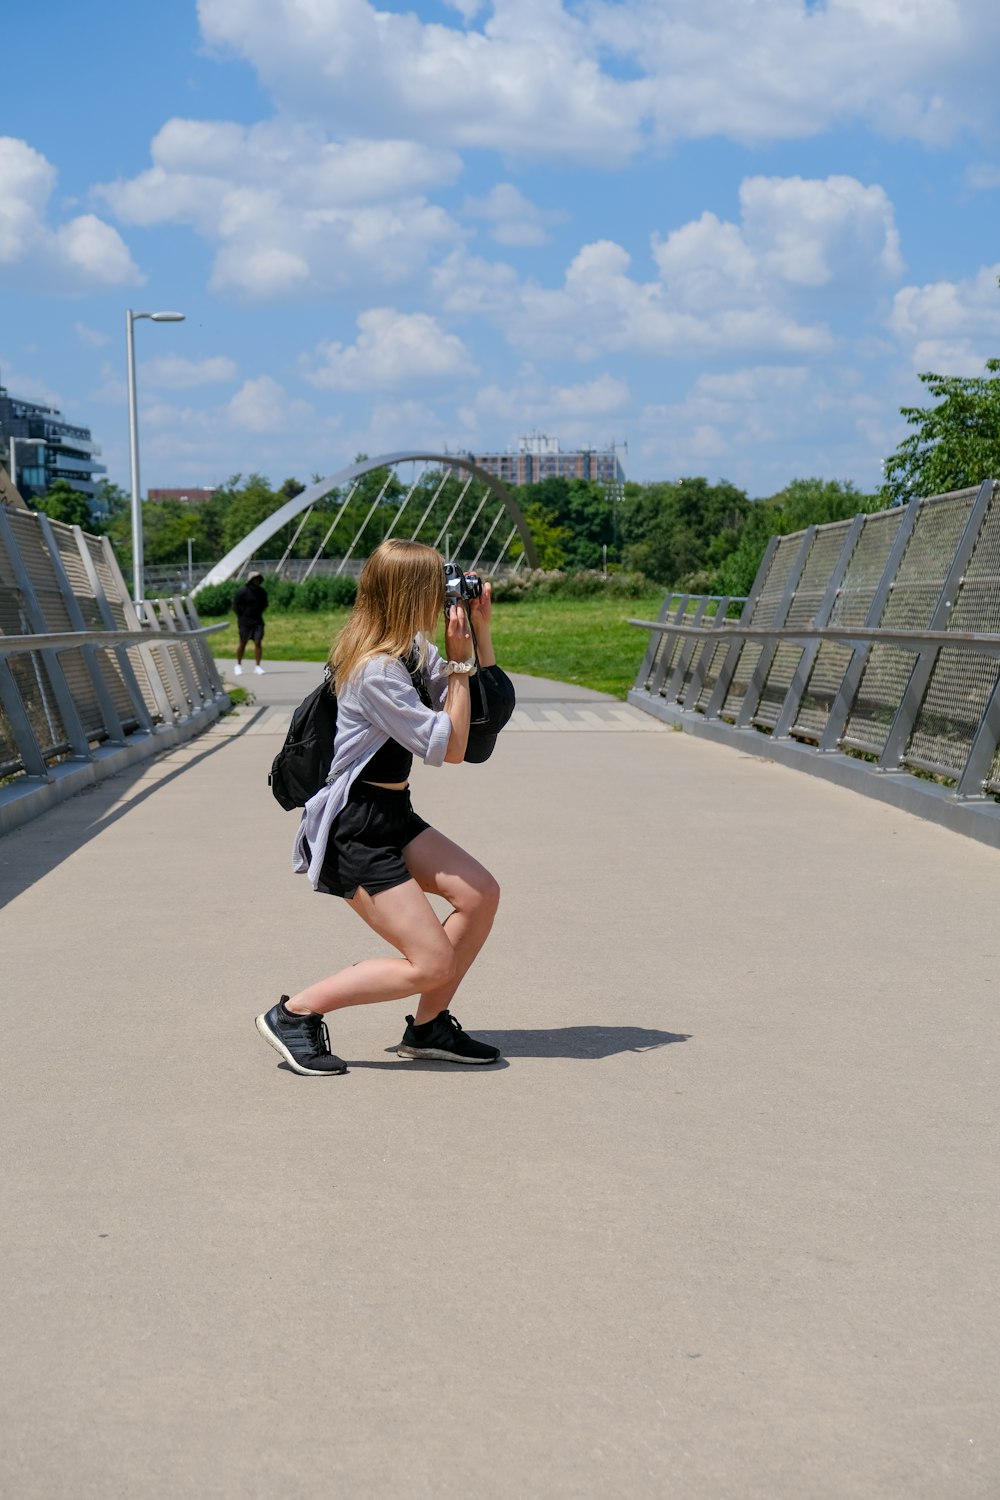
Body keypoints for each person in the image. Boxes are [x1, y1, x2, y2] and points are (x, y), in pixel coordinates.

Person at [255, 538, 502, 1076]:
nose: (443, 596)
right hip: (354, 827)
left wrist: (479, 633)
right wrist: (458, 666)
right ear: (409, 593)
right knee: (431, 961)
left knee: (480, 893)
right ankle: (293, 1013)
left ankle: (429, 1027)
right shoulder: (377, 671)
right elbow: (452, 747)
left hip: (393, 813)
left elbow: (475, 702)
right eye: (435, 586)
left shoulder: (413, 650)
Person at [233, 571, 268, 675]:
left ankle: (257, 666)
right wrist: (241, 616)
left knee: (258, 642)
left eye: (258, 579)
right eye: (255, 579)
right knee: (243, 642)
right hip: (245, 621)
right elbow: (235, 606)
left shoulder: (262, 592)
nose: (256, 581)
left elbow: (265, 605)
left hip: (258, 621)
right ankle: (238, 665)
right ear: (250, 580)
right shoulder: (242, 592)